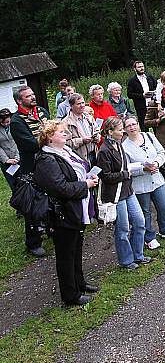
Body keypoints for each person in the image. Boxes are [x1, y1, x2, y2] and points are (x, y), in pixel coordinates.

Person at [33, 121, 99, 306]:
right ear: (49, 137)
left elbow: (77, 172)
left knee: (76, 249)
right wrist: (84, 185)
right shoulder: (46, 159)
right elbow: (60, 188)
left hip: (76, 209)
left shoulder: (66, 151)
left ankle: (80, 283)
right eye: (60, 131)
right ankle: (70, 295)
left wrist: (88, 177)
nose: (65, 133)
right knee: (65, 254)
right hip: (61, 214)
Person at [95, 116, 150, 270]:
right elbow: (105, 176)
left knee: (139, 222)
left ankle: (138, 255)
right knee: (123, 228)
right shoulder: (104, 151)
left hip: (128, 190)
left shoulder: (119, 144)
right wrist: (125, 174)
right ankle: (126, 260)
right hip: (116, 195)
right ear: (110, 132)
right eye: (120, 129)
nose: (123, 131)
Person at [122, 115, 165, 249]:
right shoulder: (125, 147)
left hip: (157, 179)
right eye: (128, 126)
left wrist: (156, 163)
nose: (132, 127)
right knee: (145, 211)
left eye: (134, 124)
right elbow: (127, 167)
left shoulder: (148, 136)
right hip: (140, 184)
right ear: (125, 129)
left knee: (164, 206)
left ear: (138, 124)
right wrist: (143, 168)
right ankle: (149, 237)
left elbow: (161, 152)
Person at [10, 86, 50, 256]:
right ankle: (33, 242)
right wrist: (49, 138)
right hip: (31, 168)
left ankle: (51, 229)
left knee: (52, 198)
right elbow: (31, 144)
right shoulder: (17, 121)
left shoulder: (41, 111)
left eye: (33, 94)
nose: (33, 97)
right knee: (33, 204)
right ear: (20, 101)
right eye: (28, 96)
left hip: (48, 161)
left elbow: (52, 129)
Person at [63, 93, 101, 165]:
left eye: (83, 103)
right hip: (79, 158)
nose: (82, 105)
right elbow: (65, 144)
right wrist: (81, 140)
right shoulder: (65, 122)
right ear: (71, 106)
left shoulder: (89, 117)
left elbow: (97, 130)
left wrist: (97, 137)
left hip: (94, 153)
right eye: (78, 104)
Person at [127, 61, 158, 131]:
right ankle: (145, 141)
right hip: (141, 107)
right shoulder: (132, 81)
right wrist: (142, 95)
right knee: (144, 127)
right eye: (139, 67)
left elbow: (156, 88)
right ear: (135, 69)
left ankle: (156, 141)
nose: (141, 68)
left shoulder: (150, 78)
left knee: (156, 125)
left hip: (153, 105)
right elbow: (129, 94)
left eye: (142, 66)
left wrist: (154, 93)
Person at [0, 108, 20, 191]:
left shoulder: (17, 124)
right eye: (2, 122)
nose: (5, 124)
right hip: (6, 162)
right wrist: (6, 159)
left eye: (7, 122)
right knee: (13, 185)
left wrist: (17, 156)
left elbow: (20, 141)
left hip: (19, 157)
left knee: (24, 181)